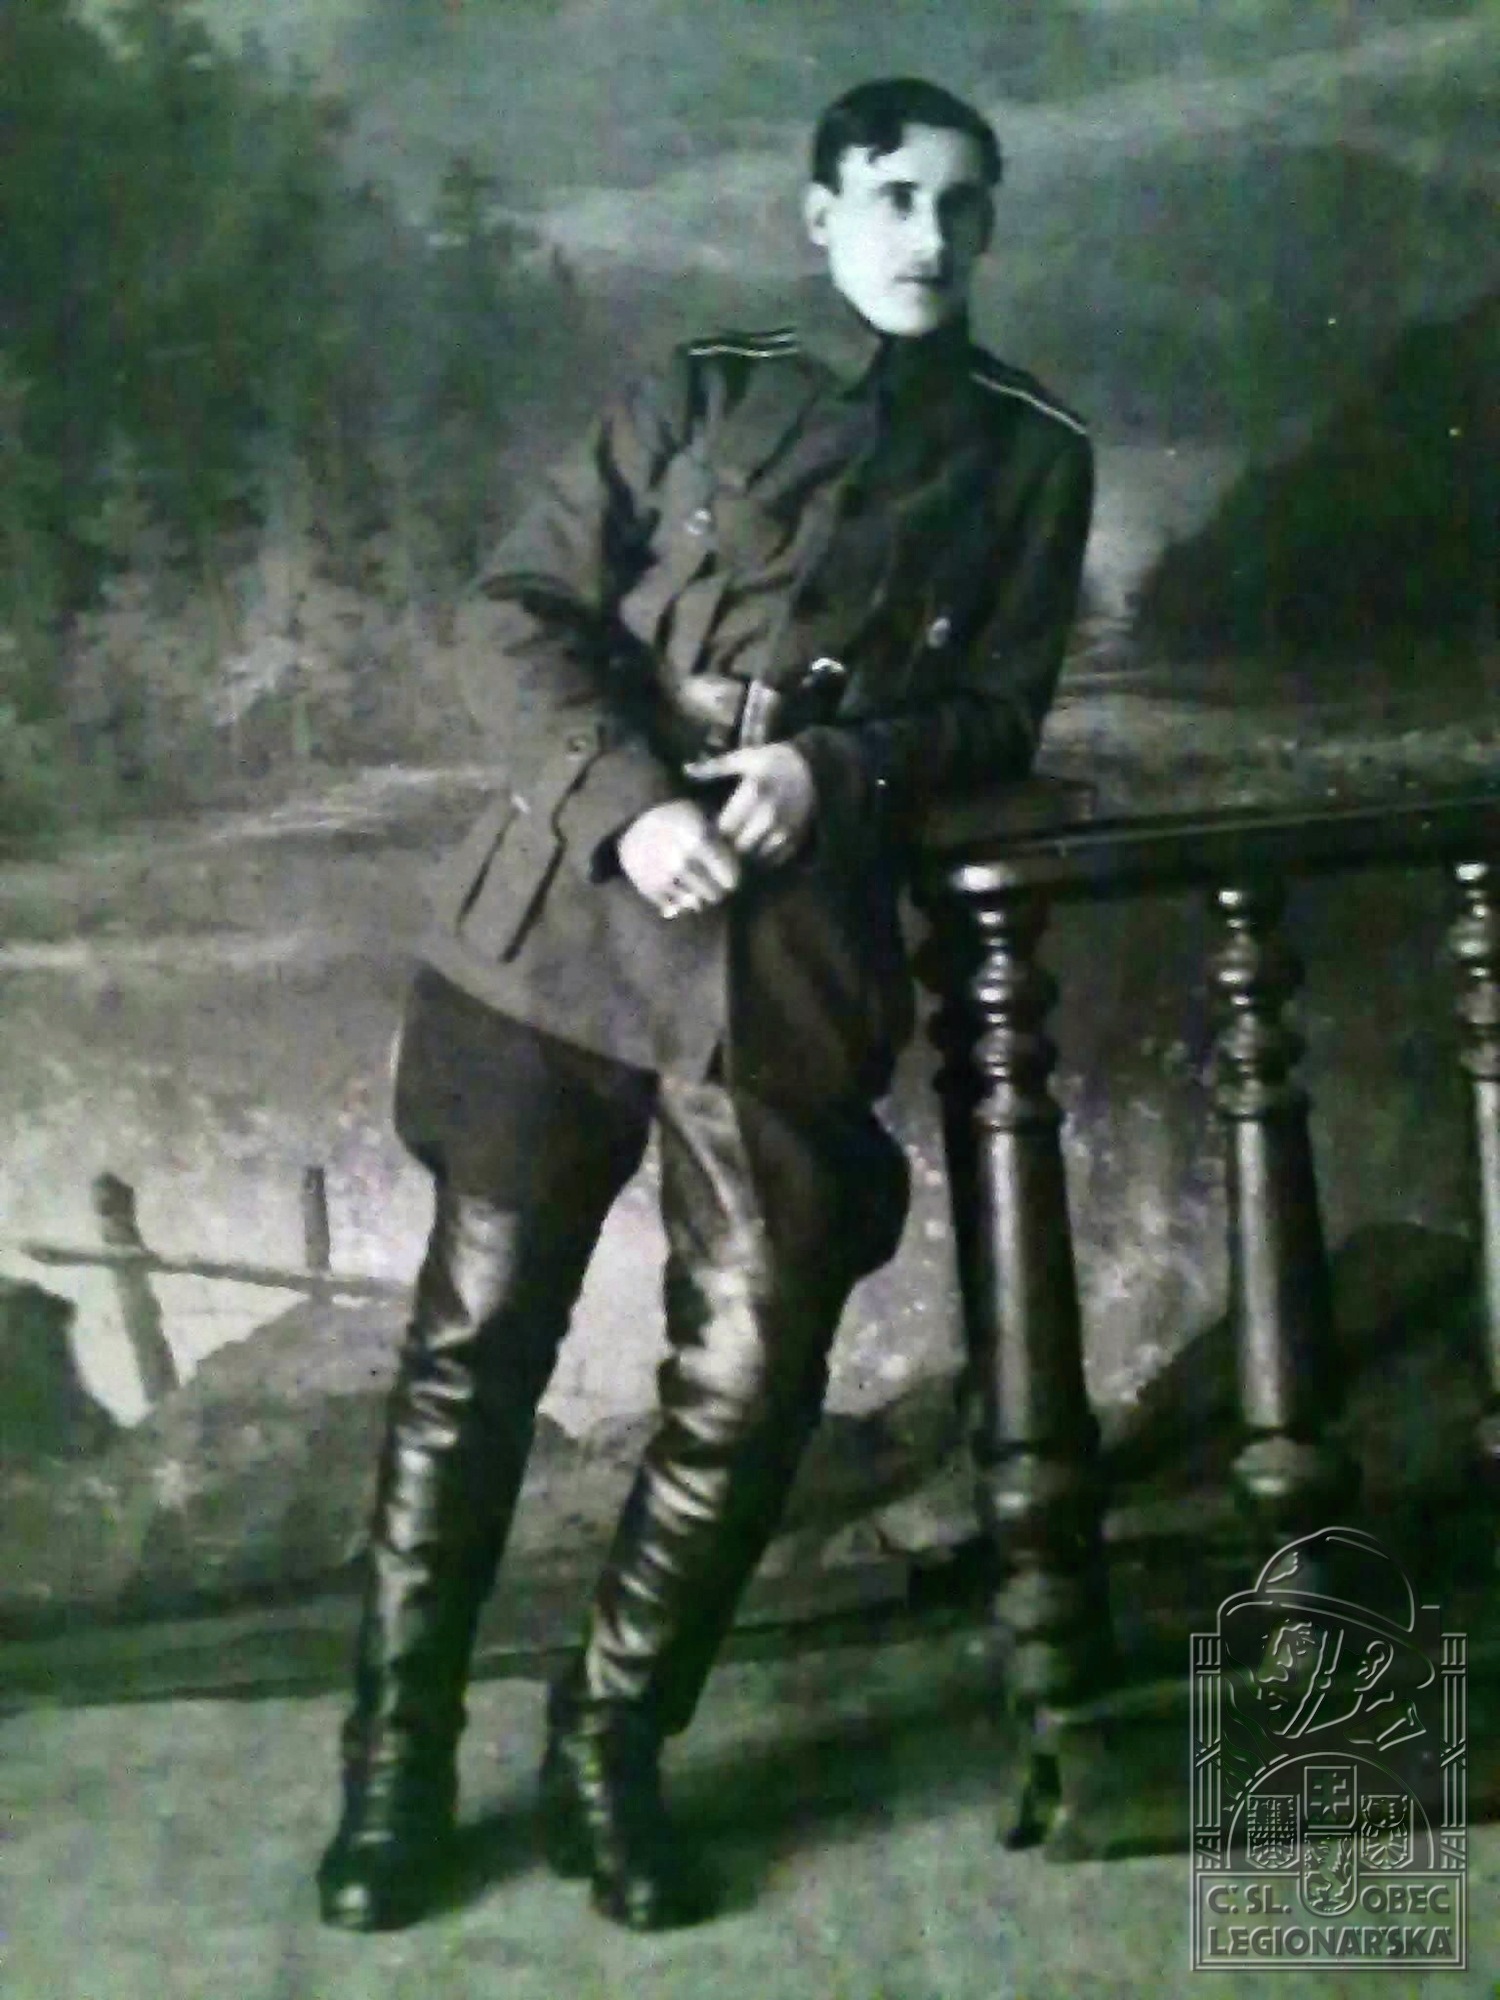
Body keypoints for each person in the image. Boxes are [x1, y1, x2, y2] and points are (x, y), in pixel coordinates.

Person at [317, 74, 1095, 1935]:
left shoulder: (1029, 453)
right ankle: (396, 1771)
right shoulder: (702, 389)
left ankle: (607, 1750)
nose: (930, 236)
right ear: (821, 215)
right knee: (472, 1355)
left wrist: (838, 771)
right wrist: (627, 800)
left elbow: (1000, 714)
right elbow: (514, 611)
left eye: (964, 205)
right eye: (893, 196)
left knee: (751, 1380)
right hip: (569, 921)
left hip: (790, 953)